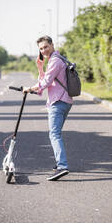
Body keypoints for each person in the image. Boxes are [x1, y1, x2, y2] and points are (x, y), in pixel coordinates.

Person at [23, 36, 73, 181]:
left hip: (58, 101)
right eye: (40, 48)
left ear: (52, 45)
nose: (43, 50)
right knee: (56, 133)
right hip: (64, 101)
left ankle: (62, 166)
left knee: (54, 134)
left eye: (45, 47)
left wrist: (29, 88)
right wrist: (40, 67)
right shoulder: (56, 59)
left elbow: (46, 82)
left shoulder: (55, 61)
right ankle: (60, 164)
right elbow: (46, 81)